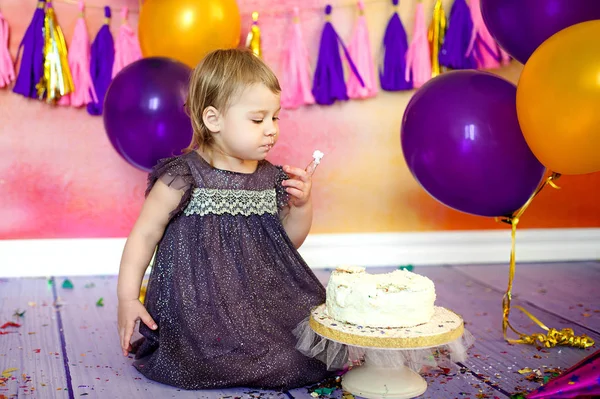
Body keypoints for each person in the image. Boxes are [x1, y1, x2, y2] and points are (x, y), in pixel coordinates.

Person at [116, 48, 331, 390]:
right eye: (258, 119)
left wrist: (302, 206)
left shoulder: (270, 180)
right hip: (195, 309)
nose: (271, 130)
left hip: (254, 303)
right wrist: (128, 298)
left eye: (276, 118)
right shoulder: (183, 177)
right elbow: (144, 235)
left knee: (305, 353)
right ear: (213, 120)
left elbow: (286, 245)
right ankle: (223, 355)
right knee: (203, 357)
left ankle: (256, 352)